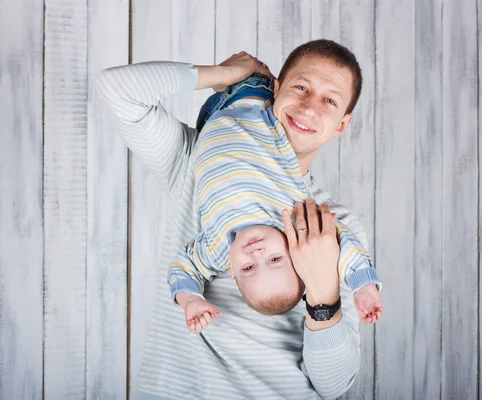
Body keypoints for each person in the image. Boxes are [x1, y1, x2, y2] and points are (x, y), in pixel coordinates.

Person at [96, 39, 374, 400]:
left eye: (329, 100)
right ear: (276, 90)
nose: (308, 107)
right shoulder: (197, 160)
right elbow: (115, 88)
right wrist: (224, 75)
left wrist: (322, 294)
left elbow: (334, 385)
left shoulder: (334, 223)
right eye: (301, 87)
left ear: (342, 124)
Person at [167, 71, 383, 333]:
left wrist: (190, 299)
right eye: (275, 260)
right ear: (294, 252)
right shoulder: (291, 220)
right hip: (256, 99)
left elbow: (183, 269)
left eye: (248, 268)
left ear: (232, 272)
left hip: (215, 114)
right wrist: (363, 285)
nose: (257, 254)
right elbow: (342, 246)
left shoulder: (216, 252)